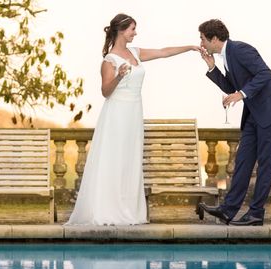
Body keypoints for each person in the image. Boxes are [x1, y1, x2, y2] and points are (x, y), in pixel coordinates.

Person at [66, 14, 198, 225]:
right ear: (121, 30)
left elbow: (164, 52)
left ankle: (129, 210)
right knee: (115, 159)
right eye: (132, 29)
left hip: (134, 113)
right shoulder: (109, 60)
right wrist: (119, 75)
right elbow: (105, 92)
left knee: (130, 159)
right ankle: (109, 210)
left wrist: (190, 47)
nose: (135, 33)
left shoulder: (135, 53)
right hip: (116, 114)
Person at [196, 19, 271, 226]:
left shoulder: (240, 49)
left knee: (265, 163)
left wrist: (242, 94)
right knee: (243, 160)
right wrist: (212, 68)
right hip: (254, 113)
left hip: (269, 109)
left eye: (202, 38)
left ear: (213, 38)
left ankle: (256, 213)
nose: (201, 43)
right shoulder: (226, 56)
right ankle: (228, 210)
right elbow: (232, 86)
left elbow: (265, 73)